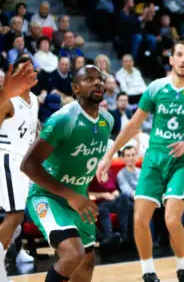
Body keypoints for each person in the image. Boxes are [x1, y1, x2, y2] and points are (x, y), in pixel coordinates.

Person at [96, 40, 184, 282]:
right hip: (154, 159)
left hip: (182, 161)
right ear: (171, 59)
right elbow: (133, 125)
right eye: (179, 55)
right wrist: (109, 154)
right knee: (139, 219)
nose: (183, 60)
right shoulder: (155, 88)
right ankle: (148, 273)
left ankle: (183, 269)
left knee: (171, 219)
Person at [21, 65, 113, 282]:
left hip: (78, 198)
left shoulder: (107, 120)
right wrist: (72, 196)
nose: (97, 82)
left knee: (86, 262)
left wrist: (82, 196)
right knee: (73, 254)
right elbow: (29, 165)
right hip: (48, 196)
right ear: (76, 88)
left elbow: (82, 164)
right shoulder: (63, 119)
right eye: (89, 79)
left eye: (100, 78)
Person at [0, 56, 38, 280]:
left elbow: (33, 131)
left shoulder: (35, 100)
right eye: (23, 71)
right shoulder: (9, 100)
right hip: (7, 158)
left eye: (31, 70)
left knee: (16, 222)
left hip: (24, 162)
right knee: (15, 216)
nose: (28, 74)